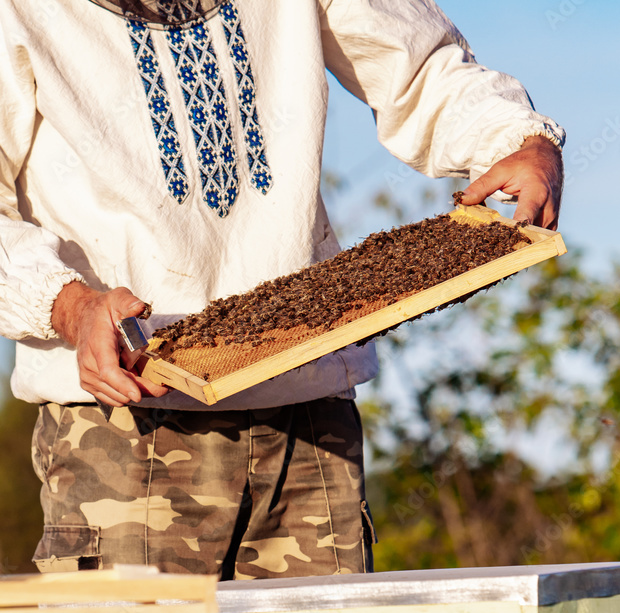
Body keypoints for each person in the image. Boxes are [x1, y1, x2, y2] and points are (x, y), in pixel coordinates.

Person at [0, 0, 564, 578]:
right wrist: (69, 306)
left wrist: (518, 139)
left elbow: (420, 69)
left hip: (311, 420)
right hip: (128, 421)